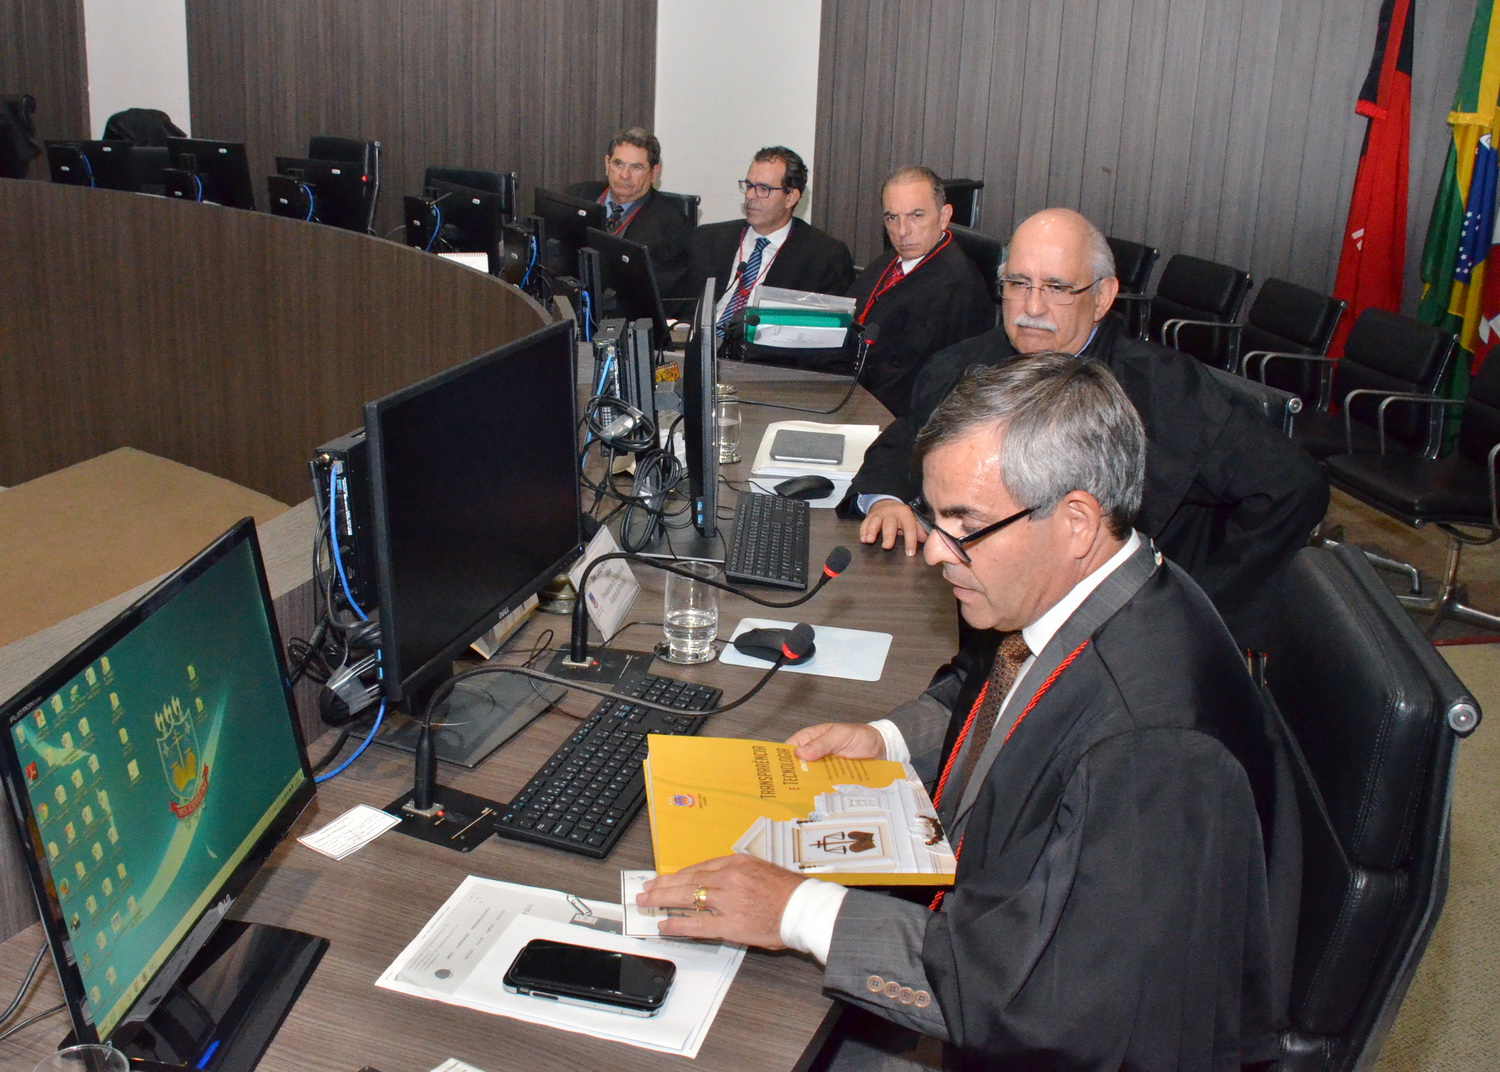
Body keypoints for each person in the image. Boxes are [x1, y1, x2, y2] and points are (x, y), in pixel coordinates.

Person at [639, 354, 1283, 1069]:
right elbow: (990, 686)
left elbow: (1054, 1000)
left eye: (963, 523)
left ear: (1075, 520)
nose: (935, 553)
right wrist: (887, 739)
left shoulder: (1149, 747)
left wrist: (798, 910)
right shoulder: (1104, 589)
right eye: (932, 516)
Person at [842, 207, 1328, 650]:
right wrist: (885, 499)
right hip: (972, 609)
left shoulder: (1163, 388)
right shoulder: (965, 362)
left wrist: (1195, 608)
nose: (1032, 307)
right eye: (1018, 283)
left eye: (1056, 288)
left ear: (1102, 297)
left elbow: (1292, 487)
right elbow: (907, 435)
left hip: (1111, 636)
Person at [841, 167, 994, 416]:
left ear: (944, 217)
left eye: (916, 215)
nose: (902, 231)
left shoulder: (954, 288)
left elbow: (914, 383)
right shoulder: (891, 260)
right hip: (850, 387)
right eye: (892, 218)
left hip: (888, 412)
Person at [686, 146, 854, 335]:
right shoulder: (708, 239)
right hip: (697, 345)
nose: (750, 196)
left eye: (763, 189)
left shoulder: (823, 256)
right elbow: (680, 307)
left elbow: (825, 332)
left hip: (762, 351)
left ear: (790, 198)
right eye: (749, 186)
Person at [567, 126, 693, 299]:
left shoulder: (673, 226)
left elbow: (661, 293)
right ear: (607, 164)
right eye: (618, 164)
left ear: (654, 173)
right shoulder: (576, 196)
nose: (625, 175)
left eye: (636, 167)